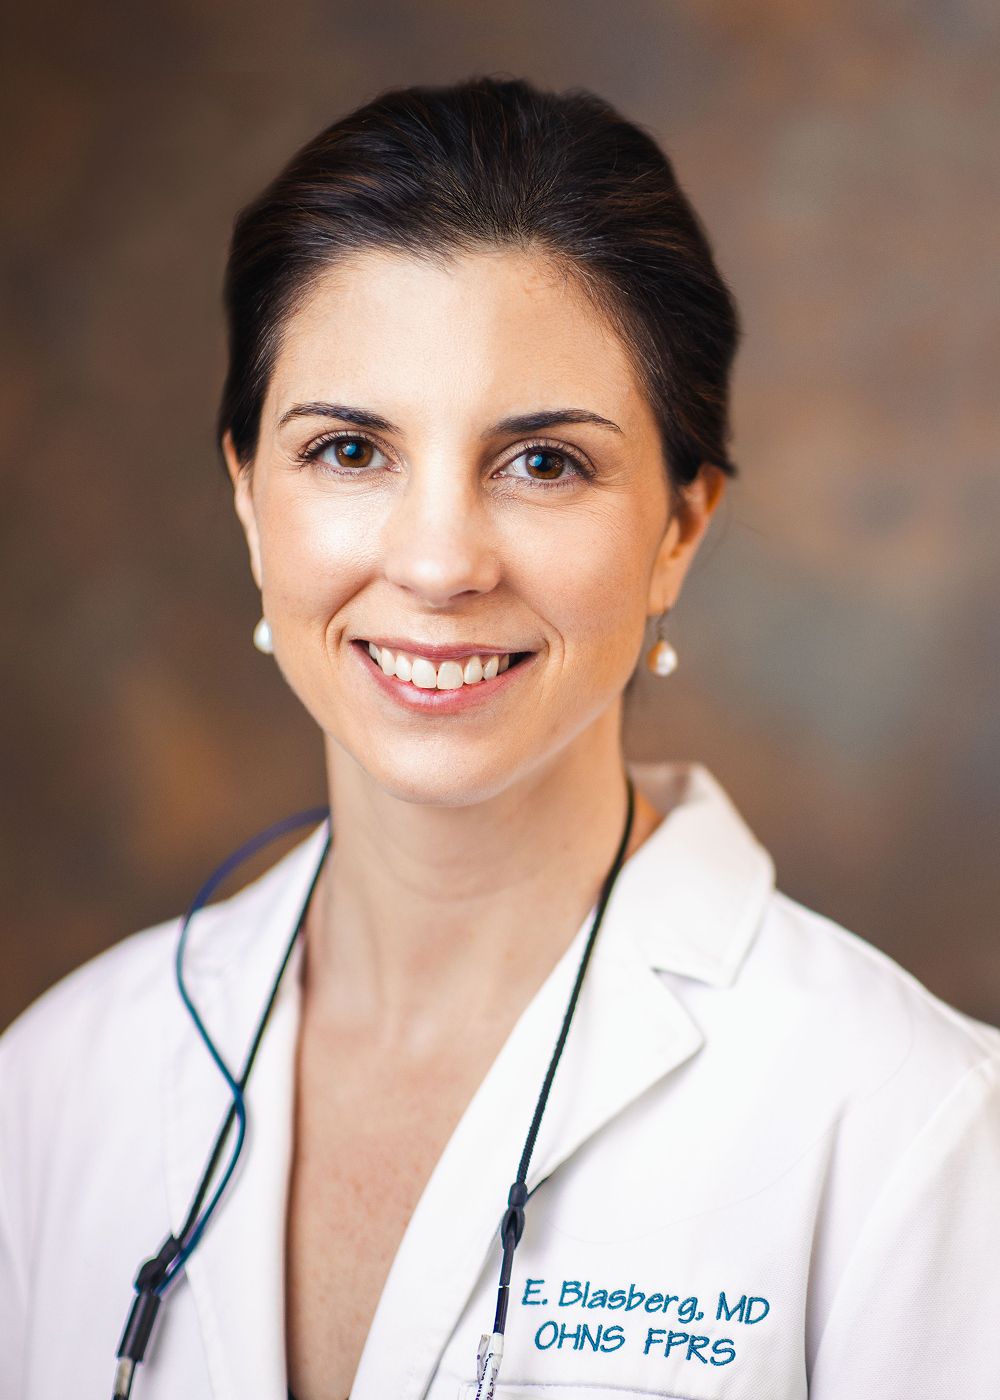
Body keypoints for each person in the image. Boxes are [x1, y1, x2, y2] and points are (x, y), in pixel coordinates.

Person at [1, 76, 998, 1400]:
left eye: (543, 464)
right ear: (249, 497)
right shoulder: (60, 1083)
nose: (437, 562)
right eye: (351, 450)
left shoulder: (914, 1128)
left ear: (679, 531)